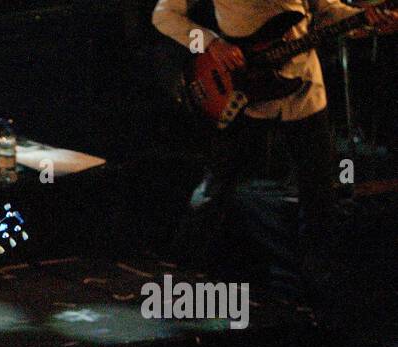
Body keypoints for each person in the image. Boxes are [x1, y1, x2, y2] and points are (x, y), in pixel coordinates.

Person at [152, 0, 398, 287]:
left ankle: (315, 291)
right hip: (239, 90)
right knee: (216, 189)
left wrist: (365, 19)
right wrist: (210, 44)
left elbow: (325, 11)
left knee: (319, 194)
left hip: (303, 86)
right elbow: (163, 15)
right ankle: (181, 274)